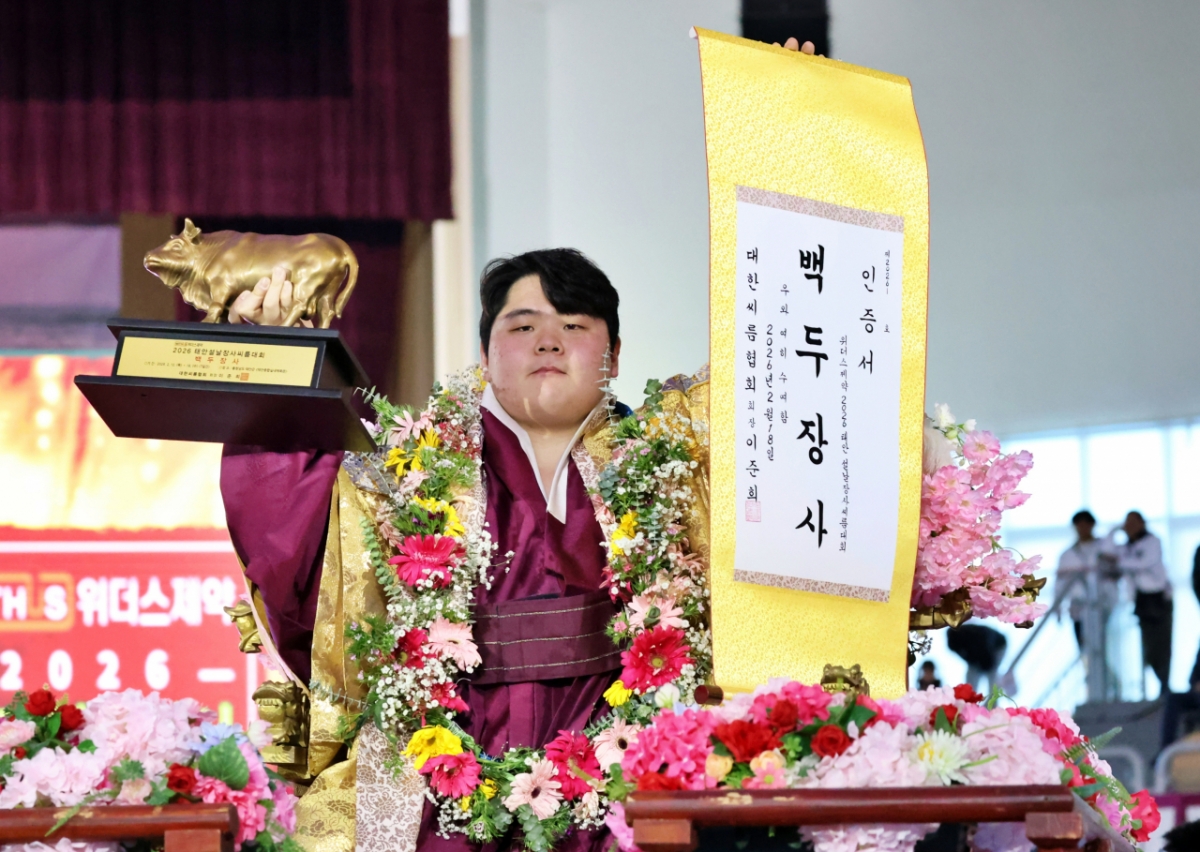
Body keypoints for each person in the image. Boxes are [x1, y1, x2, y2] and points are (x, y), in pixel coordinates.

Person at [221, 249, 709, 852]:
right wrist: (274, 362)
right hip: (441, 771)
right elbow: (298, 533)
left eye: (575, 326)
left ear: (613, 355)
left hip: (621, 764)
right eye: (523, 326)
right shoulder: (413, 469)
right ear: (485, 354)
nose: (549, 343)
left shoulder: (670, 466)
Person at [1103, 511, 1173, 696]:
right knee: (1148, 646)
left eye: (1134, 522)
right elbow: (1106, 553)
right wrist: (1114, 529)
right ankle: (1159, 684)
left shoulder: (1152, 541)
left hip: (1158, 599)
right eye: (1127, 523)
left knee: (1161, 645)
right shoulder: (1126, 548)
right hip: (1141, 601)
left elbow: (1144, 563)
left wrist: (1120, 562)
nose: (1130, 527)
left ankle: (1165, 684)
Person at [1056, 510, 1107, 648]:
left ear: (1092, 525)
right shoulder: (1067, 555)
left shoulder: (1105, 548)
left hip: (1105, 607)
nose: (1082, 528)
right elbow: (1059, 585)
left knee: (1107, 647)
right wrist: (1058, 610)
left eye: (1086, 524)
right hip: (1079, 609)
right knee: (1085, 649)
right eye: (1079, 525)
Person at [946, 624, 1007, 692]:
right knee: (971, 675)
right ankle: (969, 699)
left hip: (997, 647)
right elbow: (967, 658)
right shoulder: (954, 643)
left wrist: (986, 666)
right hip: (978, 652)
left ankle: (993, 699)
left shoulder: (975, 636)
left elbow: (987, 659)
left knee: (992, 674)